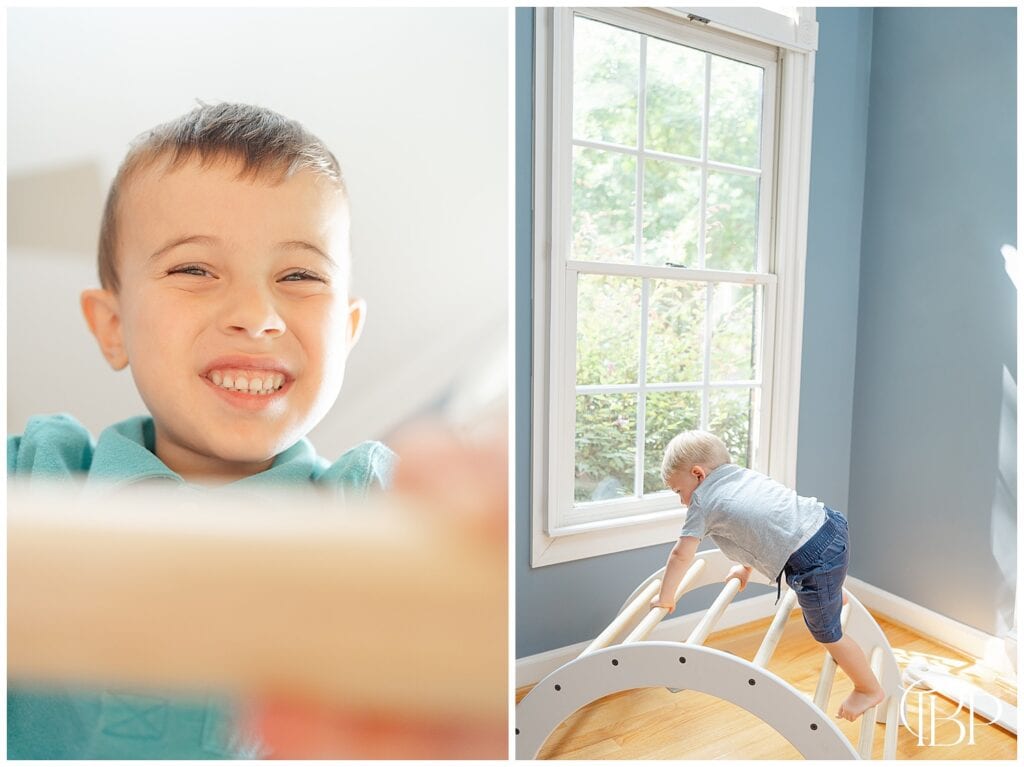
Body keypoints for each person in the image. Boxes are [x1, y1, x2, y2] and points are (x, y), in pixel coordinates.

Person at [7, 103, 503, 758]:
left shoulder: (374, 509)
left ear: (346, 333)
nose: (255, 314)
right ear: (112, 325)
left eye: (299, 276)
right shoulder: (38, 477)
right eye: (194, 269)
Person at [653, 429, 885, 722]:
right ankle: (832, 592)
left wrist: (665, 597)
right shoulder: (743, 477)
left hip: (812, 558)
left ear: (698, 474)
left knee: (827, 633)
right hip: (829, 523)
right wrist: (744, 566)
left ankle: (867, 688)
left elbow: (681, 555)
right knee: (818, 583)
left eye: (679, 491)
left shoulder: (702, 500)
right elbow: (761, 529)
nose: (682, 501)